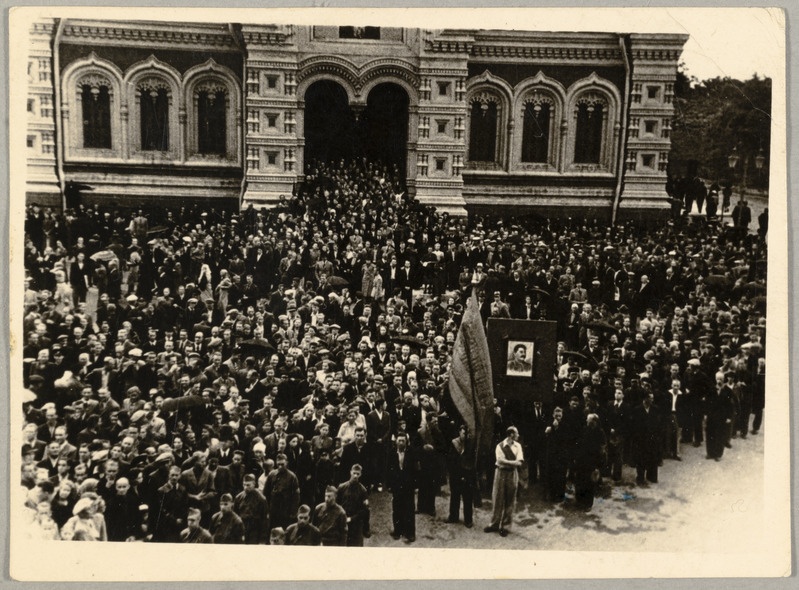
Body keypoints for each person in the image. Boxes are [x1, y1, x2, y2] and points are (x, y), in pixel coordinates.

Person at [484, 426, 523, 537]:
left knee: (510, 499)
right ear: (511, 435)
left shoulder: (518, 446)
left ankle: (505, 526)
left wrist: (508, 462)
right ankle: (494, 524)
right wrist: (513, 462)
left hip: (512, 474)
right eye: (517, 433)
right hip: (500, 473)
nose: (518, 435)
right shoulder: (499, 446)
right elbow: (499, 460)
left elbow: (520, 462)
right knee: (497, 499)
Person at [386, 432, 417, 543]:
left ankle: (410, 533)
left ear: (406, 442)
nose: (401, 443)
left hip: (408, 486)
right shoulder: (391, 453)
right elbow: (388, 469)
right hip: (396, 485)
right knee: (397, 508)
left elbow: (415, 470)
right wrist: (389, 485)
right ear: (396, 441)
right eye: (399, 440)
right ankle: (397, 531)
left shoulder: (411, 452)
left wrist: (415, 485)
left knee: (409, 509)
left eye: (403, 441)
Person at [573, 414, 606, 511]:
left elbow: (602, 450)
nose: (586, 421)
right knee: (580, 481)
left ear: (594, 421)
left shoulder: (600, 432)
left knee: (589, 484)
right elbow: (578, 443)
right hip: (581, 461)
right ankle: (579, 501)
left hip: (592, 462)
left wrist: (598, 465)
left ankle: (587, 504)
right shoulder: (584, 429)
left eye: (588, 420)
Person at [446, 424, 475, 528]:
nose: (465, 435)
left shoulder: (471, 444)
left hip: (467, 475)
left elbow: (472, 461)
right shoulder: (454, 443)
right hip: (456, 474)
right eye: (463, 433)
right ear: (459, 432)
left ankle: (468, 520)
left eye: (466, 433)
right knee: (455, 496)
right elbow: (451, 459)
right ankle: (453, 516)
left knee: (467, 498)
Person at [335, 464, 370, 546]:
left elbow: (365, 510)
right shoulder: (341, 487)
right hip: (342, 520)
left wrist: (352, 518)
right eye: (354, 473)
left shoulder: (363, 490)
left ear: (360, 474)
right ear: (350, 472)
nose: (355, 476)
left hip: (355, 524)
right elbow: (337, 504)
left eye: (357, 474)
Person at [234, 473, 269, 544]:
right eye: (244, 484)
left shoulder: (261, 499)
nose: (245, 487)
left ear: (254, 484)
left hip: (255, 529)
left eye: (248, 485)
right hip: (242, 527)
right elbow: (235, 515)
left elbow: (265, 519)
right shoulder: (238, 497)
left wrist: (263, 538)